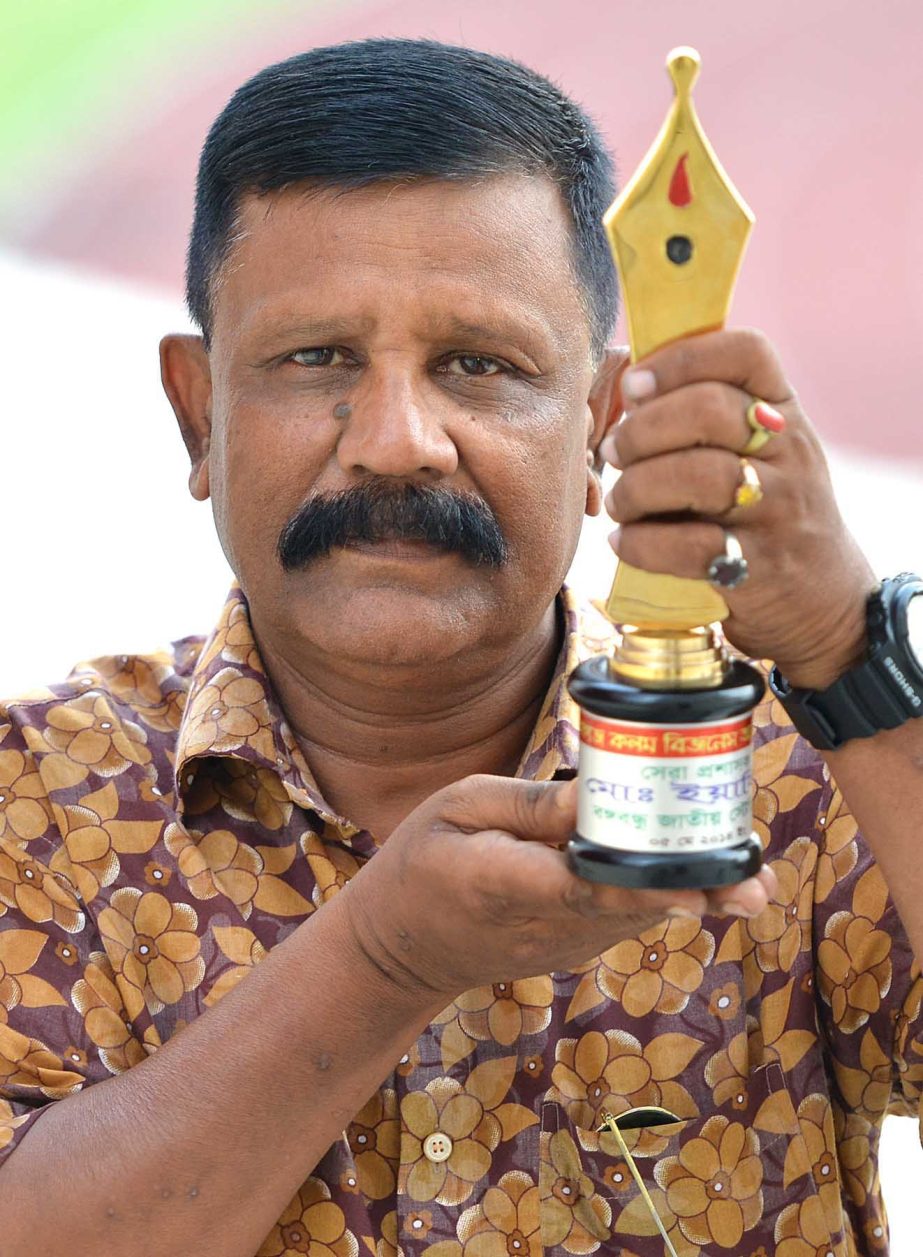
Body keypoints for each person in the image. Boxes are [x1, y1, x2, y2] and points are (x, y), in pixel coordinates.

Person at [1, 37, 921, 1257]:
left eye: (478, 366)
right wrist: (384, 959)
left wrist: (845, 647)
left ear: (599, 423)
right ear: (198, 412)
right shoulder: (39, 798)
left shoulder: (795, 779)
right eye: (316, 358)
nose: (396, 441)